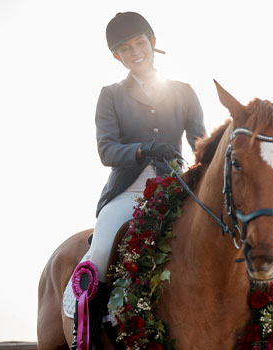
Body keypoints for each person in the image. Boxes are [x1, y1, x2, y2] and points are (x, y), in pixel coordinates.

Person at [71, 11, 206, 349]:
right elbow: (107, 150)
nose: (135, 52)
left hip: (175, 188)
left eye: (140, 43)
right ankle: (87, 333)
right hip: (127, 191)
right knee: (101, 248)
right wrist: (143, 149)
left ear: (153, 43)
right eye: (126, 49)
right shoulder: (110, 95)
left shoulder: (184, 91)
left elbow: (201, 143)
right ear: (117, 56)